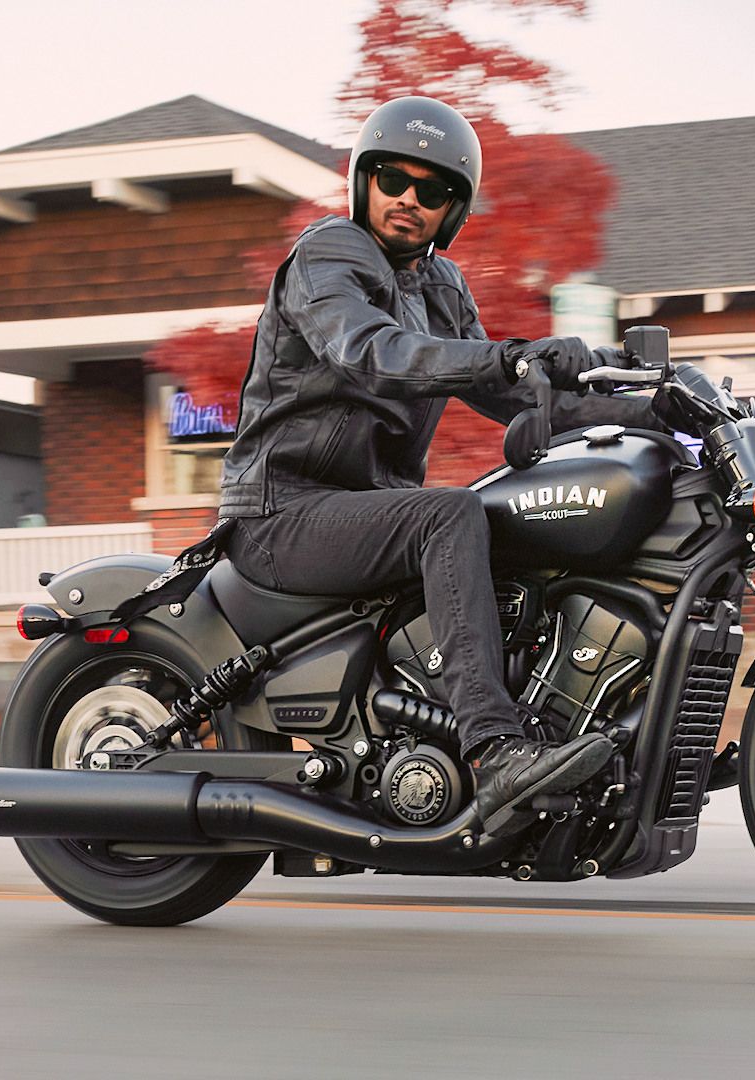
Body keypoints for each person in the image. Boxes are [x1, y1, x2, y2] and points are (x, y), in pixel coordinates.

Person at [215, 96, 659, 828]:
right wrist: (517, 358)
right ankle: (496, 752)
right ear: (364, 181)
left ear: (454, 210)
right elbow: (375, 353)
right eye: (394, 179)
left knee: (508, 517)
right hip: (282, 511)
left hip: (361, 513)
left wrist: (648, 407)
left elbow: (504, 393)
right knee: (450, 512)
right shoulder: (328, 255)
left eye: (434, 191)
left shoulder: (440, 284)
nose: (409, 201)